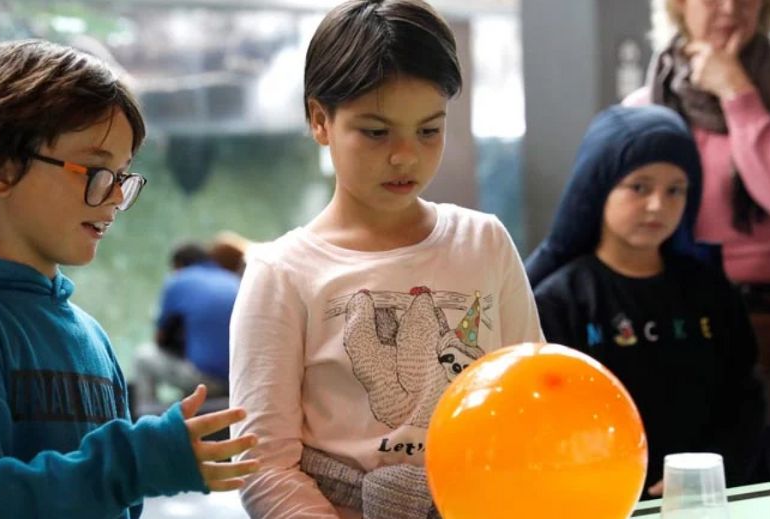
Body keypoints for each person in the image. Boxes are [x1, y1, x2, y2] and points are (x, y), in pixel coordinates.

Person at [0, 40, 258, 518]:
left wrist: (134, 470)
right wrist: (130, 464)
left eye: (122, 176)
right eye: (96, 170)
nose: (114, 197)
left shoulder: (91, 337)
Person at [228, 2, 544, 517]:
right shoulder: (281, 273)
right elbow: (263, 463)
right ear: (320, 120)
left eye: (429, 130)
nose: (405, 156)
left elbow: (530, 402)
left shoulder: (483, 241)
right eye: (376, 132)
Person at [527, 105, 765, 496]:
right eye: (639, 187)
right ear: (598, 187)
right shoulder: (559, 302)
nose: (658, 205)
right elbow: (551, 421)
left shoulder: (711, 291)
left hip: (706, 497)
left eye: (675, 190)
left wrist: (709, 472)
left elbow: (745, 397)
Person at [625, 0, 770, 483]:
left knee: (769, 472)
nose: (730, 8)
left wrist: (737, 92)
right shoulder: (648, 104)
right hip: (674, 316)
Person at [135, 241, 241, 414]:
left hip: (206, 380)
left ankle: (147, 417)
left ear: (178, 265)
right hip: (237, 380)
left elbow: (160, 338)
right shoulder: (233, 280)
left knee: (143, 357)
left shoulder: (178, 280)